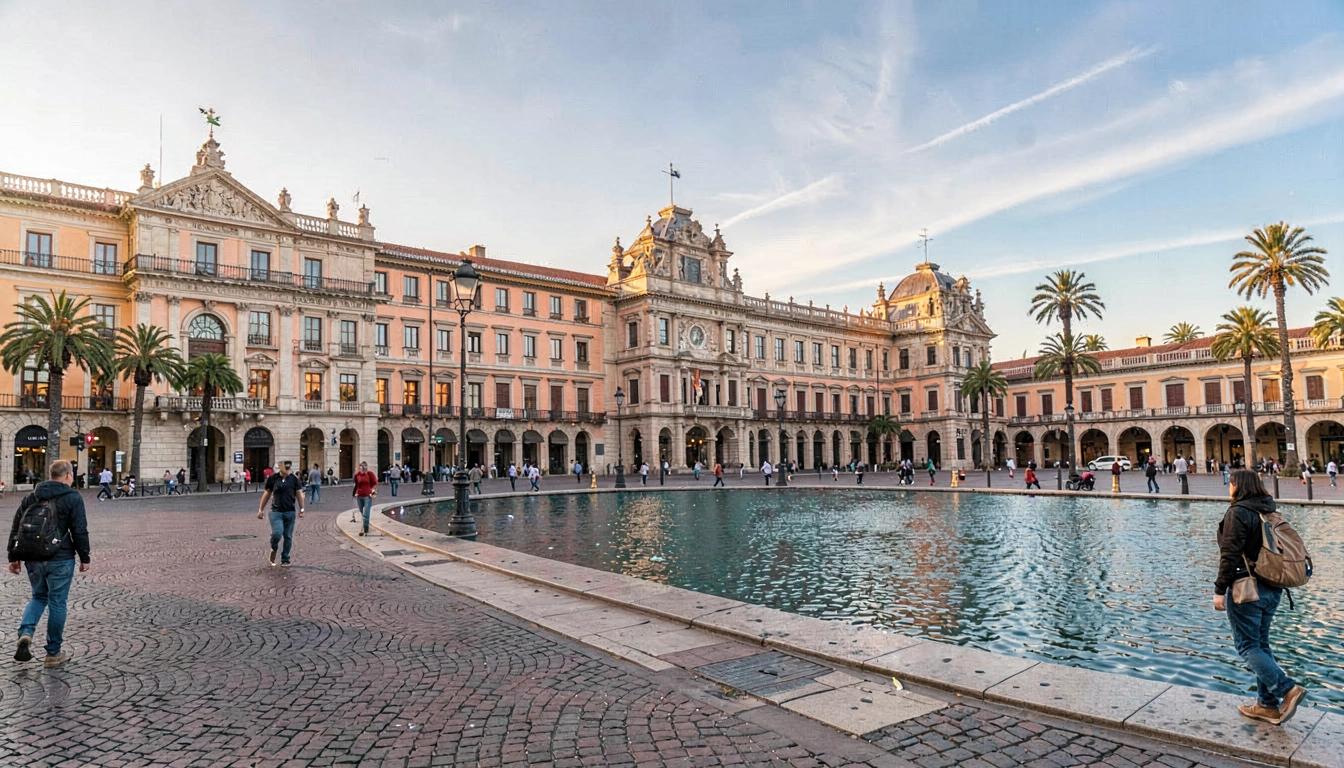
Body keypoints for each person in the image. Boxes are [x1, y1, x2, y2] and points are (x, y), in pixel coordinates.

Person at [1214, 469, 1307, 724]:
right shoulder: (1269, 510)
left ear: (1237, 485)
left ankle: (1287, 689)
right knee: (1261, 644)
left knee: (1247, 646)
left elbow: (1230, 556)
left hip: (1247, 589)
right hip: (1273, 588)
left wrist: (1219, 590)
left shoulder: (1238, 513)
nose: (1228, 488)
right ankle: (1267, 705)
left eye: (1230, 484)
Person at [7, 460, 91, 668]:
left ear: (50, 474)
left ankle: (26, 632)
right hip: (60, 557)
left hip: (33, 557)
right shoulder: (72, 497)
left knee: (38, 596)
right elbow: (79, 530)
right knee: (57, 602)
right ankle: (53, 653)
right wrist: (85, 557)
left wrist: (13, 556)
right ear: (68, 475)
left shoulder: (31, 496)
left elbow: (17, 526)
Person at [257, 460, 304, 567]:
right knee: (277, 533)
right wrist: (261, 509)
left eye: (288, 470)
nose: (287, 472)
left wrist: (302, 510)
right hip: (276, 512)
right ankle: (274, 548)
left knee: (287, 536)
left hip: (290, 512)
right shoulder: (273, 478)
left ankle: (285, 558)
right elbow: (267, 494)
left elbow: (299, 495)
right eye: (285, 470)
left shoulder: (294, 479)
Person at [351, 461, 378, 536]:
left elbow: (374, 483)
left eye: (362, 467)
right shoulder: (357, 475)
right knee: (362, 512)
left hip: (367, 496)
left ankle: (365, 529)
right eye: (360, 467)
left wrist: (372, 491)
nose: (360, 469)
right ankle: (365, 525)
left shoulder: (370, 474)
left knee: (366, 513)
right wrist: (354, 493)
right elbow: (356, 485)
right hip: (359, 496)